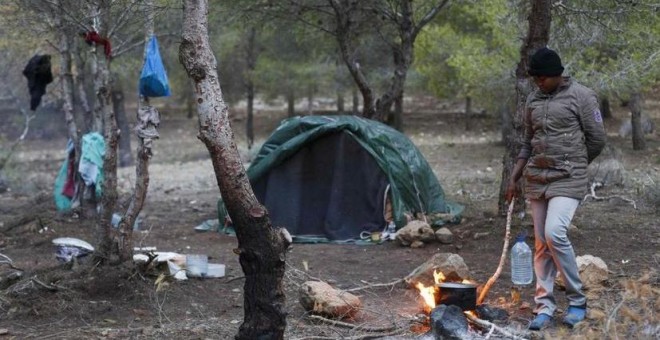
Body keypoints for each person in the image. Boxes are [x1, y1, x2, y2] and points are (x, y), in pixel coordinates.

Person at [506, 47, 606, 330]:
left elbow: (597, 138)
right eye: (535, 78)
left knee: (554, 233)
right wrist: (514, 177)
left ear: (557, 75)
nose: (538, 83)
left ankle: (577, 301)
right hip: (537, 178)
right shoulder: (533, 99)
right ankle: (544, 307)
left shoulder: (582, 96)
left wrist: (575, 162)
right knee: (541, 244)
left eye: (542, 78)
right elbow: (528, 141)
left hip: (568, 178)